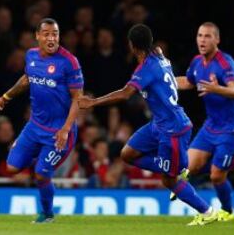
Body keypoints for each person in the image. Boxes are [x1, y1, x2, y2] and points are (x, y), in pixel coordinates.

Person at [78, 24, 217, 226]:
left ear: (132, 46)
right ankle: (176, 168)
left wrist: (93, 102)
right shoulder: (158, 55)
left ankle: (207, 211)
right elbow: (165, 78)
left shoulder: (146, 69)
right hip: (158, 125)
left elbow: (126, 94)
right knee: (127, 154)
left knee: (168, 181)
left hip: (173, 129)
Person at [0, 18, 84, 223]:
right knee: (13, 168)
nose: (51, 38)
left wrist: (66, 129)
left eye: (55, 34)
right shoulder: (31, 55)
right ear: (38, 36)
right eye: (47, 34)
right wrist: (5, 98)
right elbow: (26, 79)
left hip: (59, 132)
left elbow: (79, 99)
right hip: (34, 127)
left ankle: (48, 214)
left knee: (41, 174)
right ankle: (39, 155)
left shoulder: (69, 62)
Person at [173, 22, 234, 221]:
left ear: (217, 39)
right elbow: (189, 82)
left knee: (217, 176)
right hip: (212, 124)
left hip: (233, 127)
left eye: (208, 36)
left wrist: (217, 89)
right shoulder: (197, 62)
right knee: (187, 166)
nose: (202, 40)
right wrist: (163, 81)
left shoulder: (225, 63)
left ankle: (228, 210)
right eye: (200, 35)